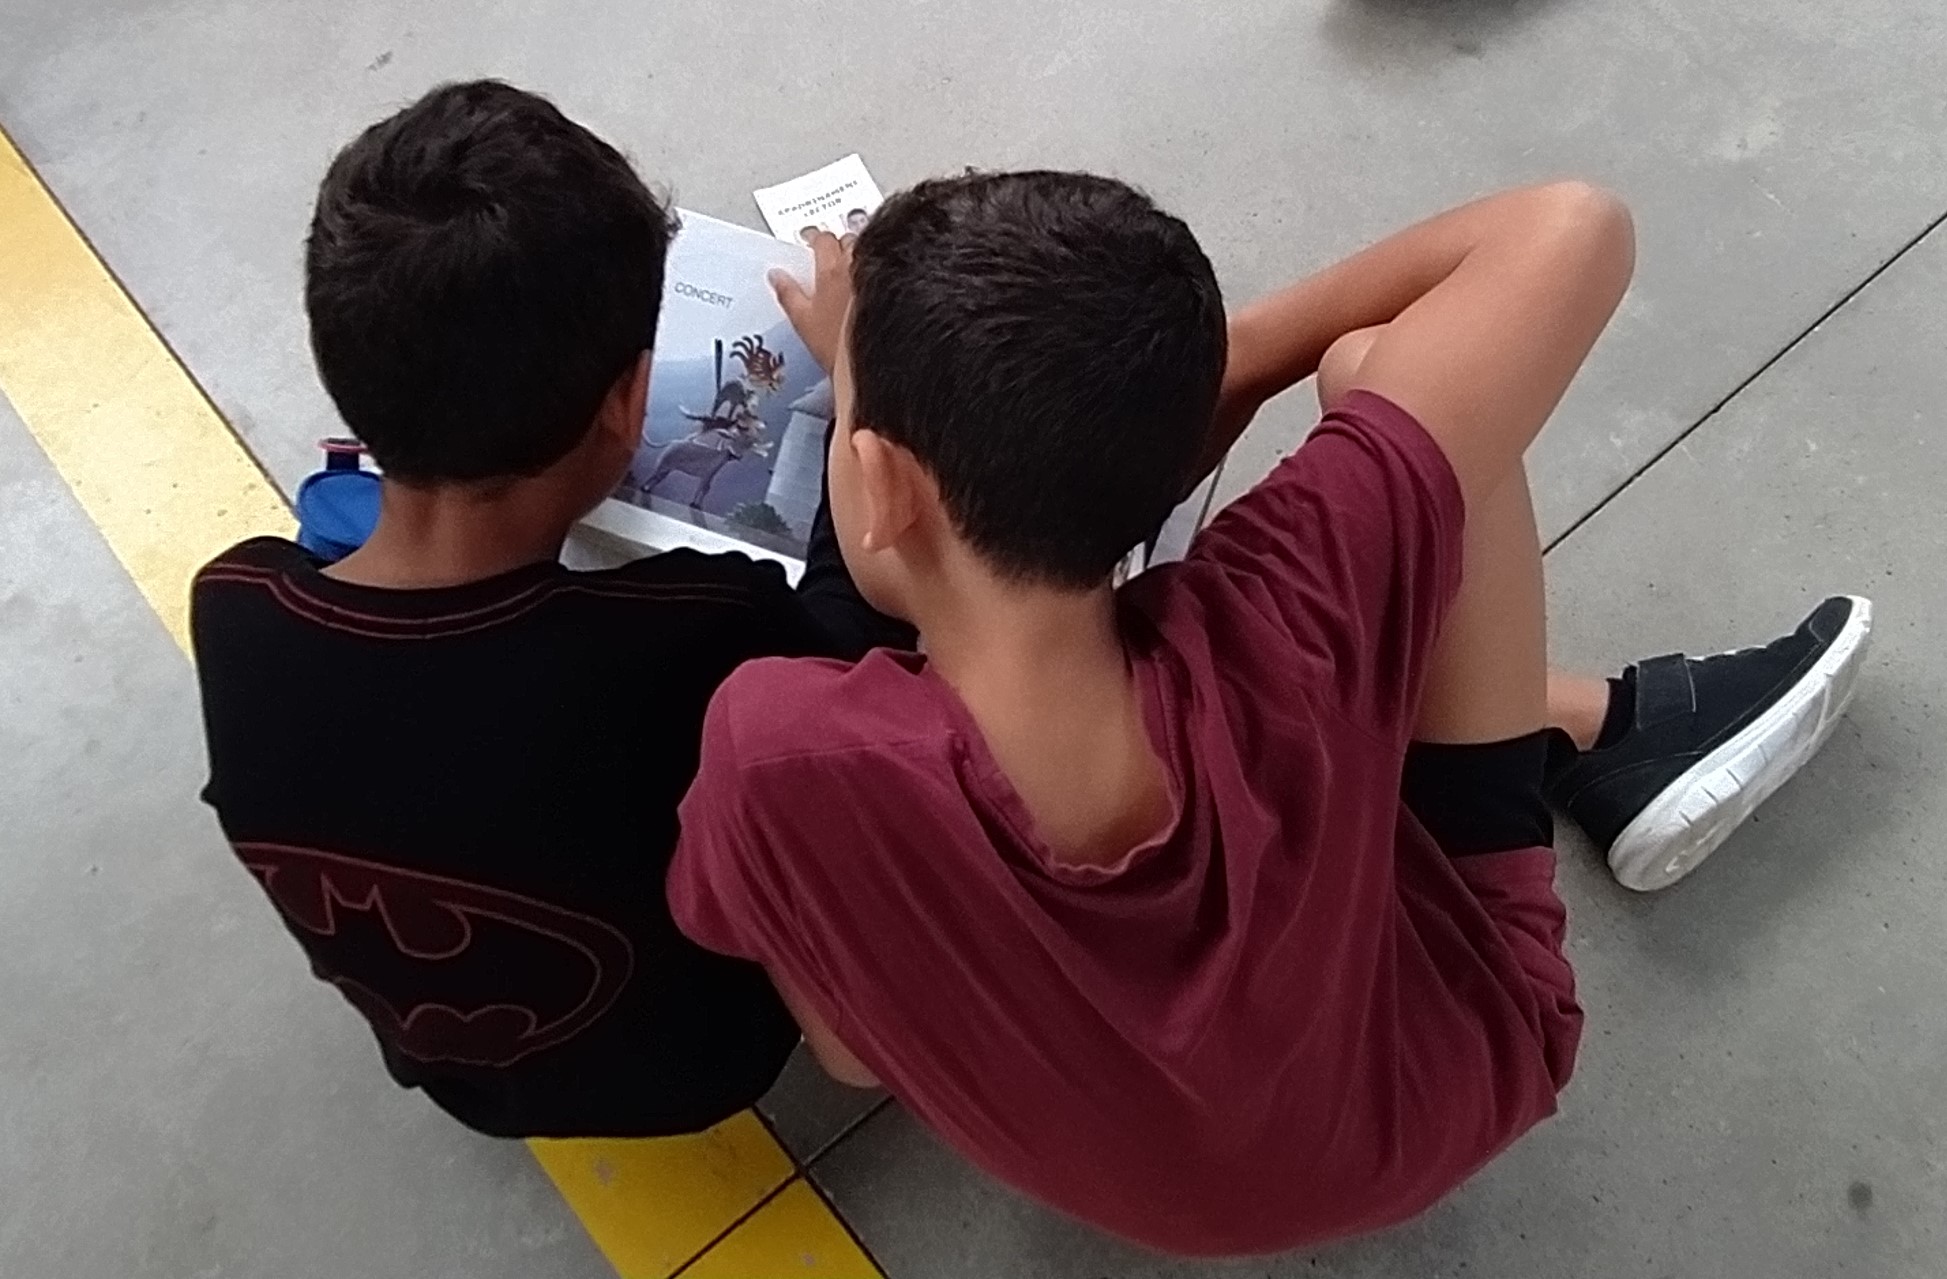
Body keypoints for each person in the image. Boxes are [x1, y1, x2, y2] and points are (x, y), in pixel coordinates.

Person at [667, 172, 1872, 1253]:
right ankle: (1603, 734)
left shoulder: (771, 750)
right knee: (1373, 370)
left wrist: (867, 373)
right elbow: (1575, 226)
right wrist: (1222, 365)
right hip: (1446, 1080)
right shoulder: (1277, 609)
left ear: (881, 485)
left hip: (1133, 1191)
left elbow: (851, 1056)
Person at [189, 80, 907, 1138]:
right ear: (629, 402)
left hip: (463, 1078)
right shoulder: (691, 631)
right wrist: (860, 383)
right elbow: (858, 628)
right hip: (705, 1062)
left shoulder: (233, 607)